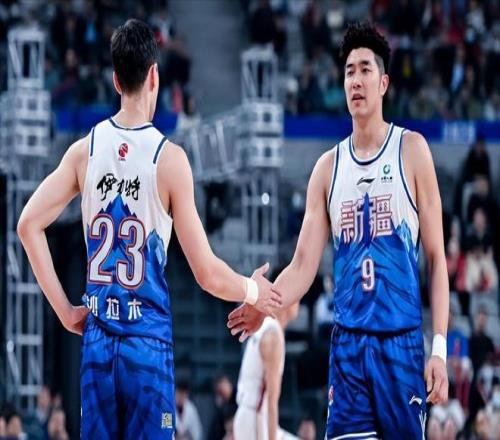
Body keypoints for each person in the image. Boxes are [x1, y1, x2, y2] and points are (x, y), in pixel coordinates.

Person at [17, 19, 281, 439]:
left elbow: (27, 225)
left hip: (99, 343)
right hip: (146, 345)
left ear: (116, 80)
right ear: (155, 76)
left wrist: (66, 312)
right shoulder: (169, 159)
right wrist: (254, 291)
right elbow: (207, 274)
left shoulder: (84, 151)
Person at [228, 21, 449, 439]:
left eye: (365, 69)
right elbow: (301, 266)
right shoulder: (327, 169)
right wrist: (263, 301)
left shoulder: (412, 151)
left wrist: (438, 347)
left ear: (383, 83)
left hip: (400, 343)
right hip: (348, 348)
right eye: (349, 72)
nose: (356, 80)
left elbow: (437, 261)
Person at [233, 303, 299, 440]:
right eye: (297, 299)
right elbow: (271, 402)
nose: (298, 302)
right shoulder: (273, 336)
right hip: (256, 417)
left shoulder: (264, 325)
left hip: (249, 415)